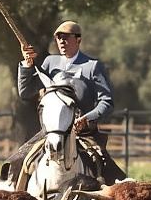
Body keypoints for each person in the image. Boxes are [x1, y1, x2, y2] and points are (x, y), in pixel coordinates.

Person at [11, 20, 123, 183]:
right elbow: (26, 92)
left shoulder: (93, 66)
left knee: (111, 175)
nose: (62, 41)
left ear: (78, 40)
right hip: (51, 132)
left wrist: (87, 118)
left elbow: (106, 102)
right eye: (58, 38)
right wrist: (27, 66)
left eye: (66, 37)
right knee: (16, 162)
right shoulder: (50, 63)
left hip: (83, 133)